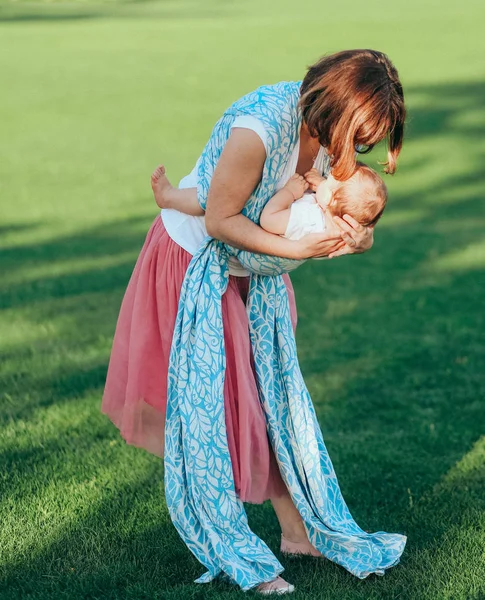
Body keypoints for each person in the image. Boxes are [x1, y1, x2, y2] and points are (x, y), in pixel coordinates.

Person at [101, 49, 407, 594]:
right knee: (217, 412)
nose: (357, 152)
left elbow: (349, 208)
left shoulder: (328, 136)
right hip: (196, 264)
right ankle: (231, 545)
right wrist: (298, 251)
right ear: (332, 106)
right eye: (358, 137)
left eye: (369, 142)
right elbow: (219, 220)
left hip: (255, 273)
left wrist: (359, 237)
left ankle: (297, 534)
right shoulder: (260, 128)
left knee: (275, 404)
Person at [150, 161, 387, 244]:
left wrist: (290, 193)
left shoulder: (308, 221)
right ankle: (171, 196)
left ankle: (168, 196)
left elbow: (270, 219)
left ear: (331, 201)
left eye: (333, 182)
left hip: (249, 216)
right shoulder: (329, 215)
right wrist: (321, 185)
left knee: (212, 198)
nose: (330, 174)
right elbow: (327, 195)